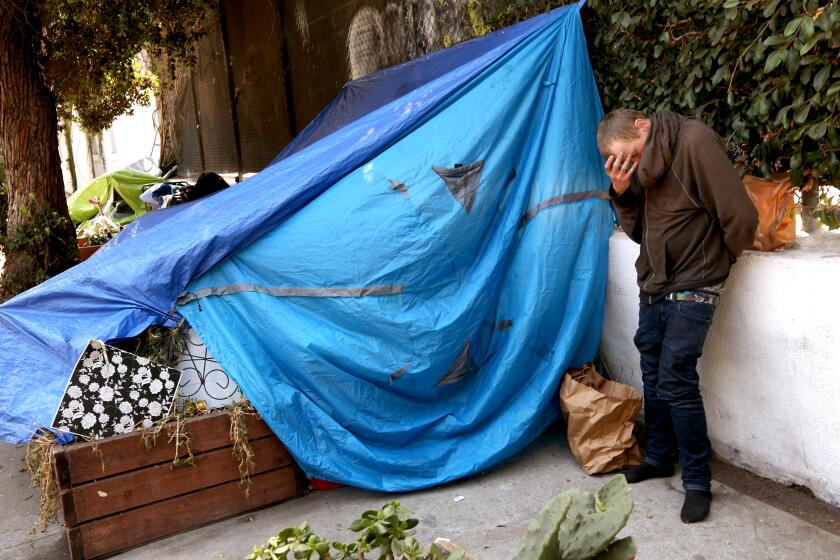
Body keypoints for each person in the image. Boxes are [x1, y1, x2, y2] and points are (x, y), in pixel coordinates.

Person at [596, 109, 758, 523]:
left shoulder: (693, 142)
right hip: (654, 279)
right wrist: (621, 189)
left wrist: (721, 261)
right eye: (618, 161)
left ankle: (698, 480)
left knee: (676, 377)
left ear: (643, 126)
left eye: (628, 155)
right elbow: (638, 233)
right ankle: (659, 457)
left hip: (697, 279)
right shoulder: (639, 168)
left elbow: (739, 215)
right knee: (651, 367)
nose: (628, 163)